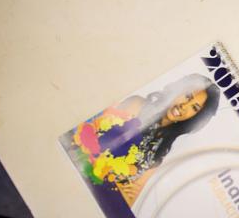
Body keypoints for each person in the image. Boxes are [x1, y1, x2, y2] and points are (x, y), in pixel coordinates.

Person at [68, 73, 220, 205]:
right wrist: (116, 181)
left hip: (97, 200)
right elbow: (88, 141)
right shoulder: (137, 105)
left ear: (195, 117)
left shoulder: (162, 149)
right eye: (187, 96)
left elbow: (129, 200)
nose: (184, 106)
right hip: (75, 175)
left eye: (194, 108)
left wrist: (118, 185)